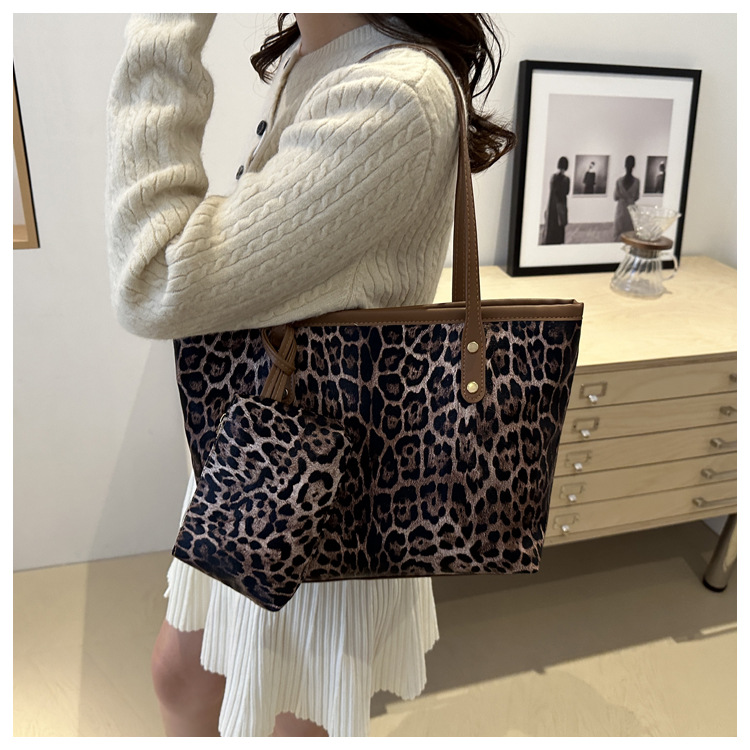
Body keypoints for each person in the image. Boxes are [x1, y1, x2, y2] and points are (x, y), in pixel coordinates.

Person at [105, 13, 514, 738]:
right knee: (183, 677)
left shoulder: (396, 93)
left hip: (326, 489)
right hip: (260, 444)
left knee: (285, 713)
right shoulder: (316, 49)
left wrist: (163, 27)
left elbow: (156, 280)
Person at [542, 156, 570, 244]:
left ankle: (549, 240)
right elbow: (567, 192)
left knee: (552, 223)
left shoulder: (553, 177)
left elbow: (552, 191)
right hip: (561, 204)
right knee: (560, 224)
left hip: (552, 205)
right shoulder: (566, 179)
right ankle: (558, 241)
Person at [613, 154, 641, 240]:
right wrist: (630, 198)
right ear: (634, 165)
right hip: (631, 208)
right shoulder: (637, 181)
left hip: (621, 208)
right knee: (630, 233)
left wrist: (623, 197)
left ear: (625, 165)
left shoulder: (619, 181)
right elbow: (637, 197)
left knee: (619, 232)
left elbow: (615, 197)